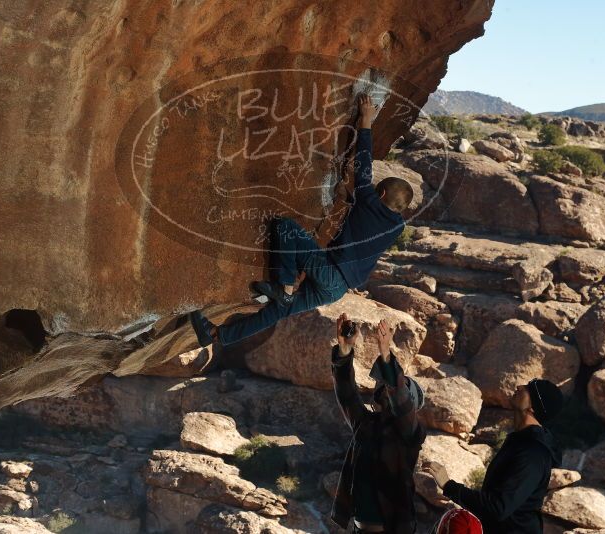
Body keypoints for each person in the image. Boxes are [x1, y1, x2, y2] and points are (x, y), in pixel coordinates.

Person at [188, 93, 415, 347]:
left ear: (380, 193)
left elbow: (364, 163)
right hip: (336, 290)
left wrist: (365, 120)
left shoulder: (370, 201)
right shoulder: (396, 227)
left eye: (375, 190)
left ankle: (284, 288)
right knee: (278, 311)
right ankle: (218, 336)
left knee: (285, 228)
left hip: (330, 273)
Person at [423, 379, 564, 534]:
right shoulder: (521, 441)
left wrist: (449, 486)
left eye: (528, 388)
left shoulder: (533, 452)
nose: (519, 386)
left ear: (533, 407)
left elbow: (499, 507)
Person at [330, 313, 426, 534]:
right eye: (382, 386)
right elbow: (346, 394)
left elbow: (401, 403)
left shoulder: (410, 433)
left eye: (386, 386)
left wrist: (386, 354)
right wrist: (344, 350)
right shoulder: (366, 424)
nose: (380, 389)